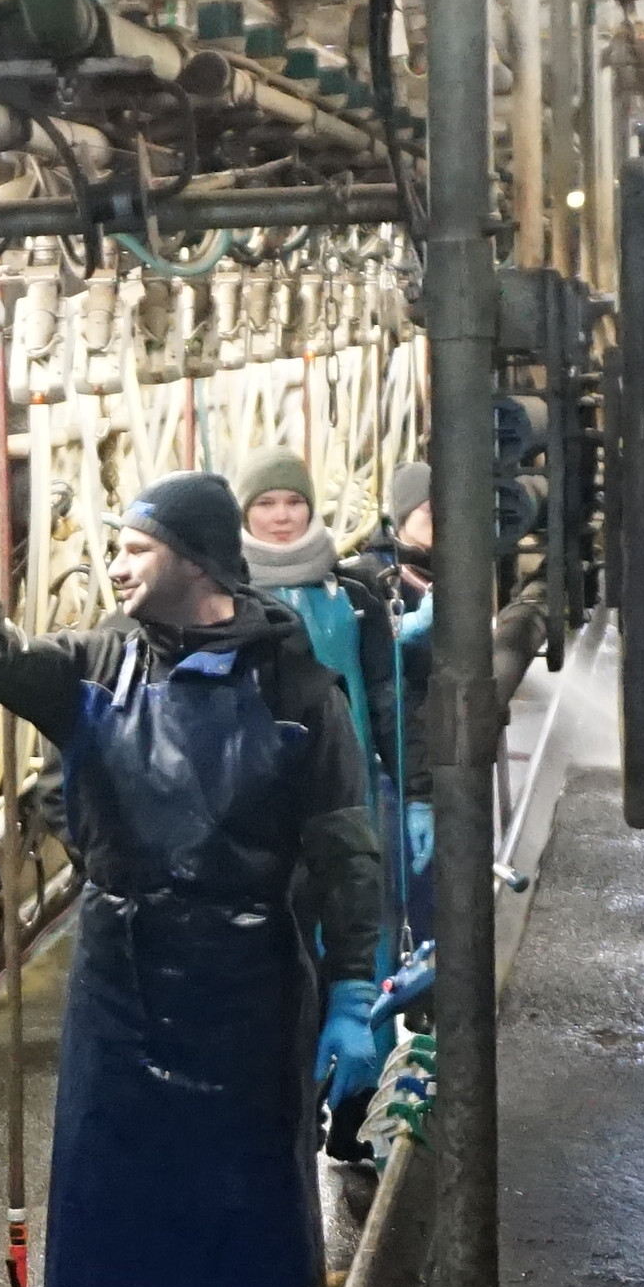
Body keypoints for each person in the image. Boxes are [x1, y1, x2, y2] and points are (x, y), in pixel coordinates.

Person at [0, 417, 387, 1287]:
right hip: (121, 985)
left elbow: (344, 844)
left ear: (198, 560)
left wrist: (351, 987)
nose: (117, 563)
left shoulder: (300, 684)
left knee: (247, 1223)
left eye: (137, 547)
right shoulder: (94, 665)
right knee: (104, 1215)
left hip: (250, 991)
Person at [234, 450, 409, 1134]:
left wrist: (417, 790)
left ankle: (361, 1115)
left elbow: (386, 694)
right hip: (269, 810)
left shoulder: (355, 596)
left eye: (293, 503)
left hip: (350, 794)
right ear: (245, 515)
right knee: (290, 954)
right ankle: (296, 1107)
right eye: (265, 505)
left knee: (363, 944)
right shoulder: (229, 601)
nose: (281, 516)